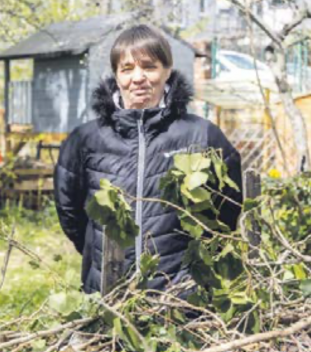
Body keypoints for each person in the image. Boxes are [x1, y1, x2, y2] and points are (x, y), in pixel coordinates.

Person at [54, 25, 243, 294]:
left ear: (167, 71)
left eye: (149, 66)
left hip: (182, 297)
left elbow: (227, 209)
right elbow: (70, 212)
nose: (138, 77)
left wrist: (194, 267)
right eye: (127, 68)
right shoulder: (86, 140)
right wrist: (99, 253)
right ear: (117, 76)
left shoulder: (202, 135)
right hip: (109, 292)